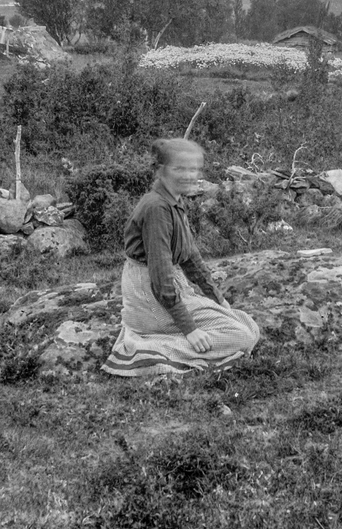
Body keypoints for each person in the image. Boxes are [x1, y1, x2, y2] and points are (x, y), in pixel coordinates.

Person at [102, 138, 260, 378]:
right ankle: (148, 351)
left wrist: (216, 298)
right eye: (180, 169)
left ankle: (177, 338)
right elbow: (160, 276)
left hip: (167, 287)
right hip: (148, 295)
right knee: (242, 336)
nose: (189, 175)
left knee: (247, 324)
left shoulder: (174, 201)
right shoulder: (157, 208)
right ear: (162, 170)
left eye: (194, 169)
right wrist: (190, 330)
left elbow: (190, 257)